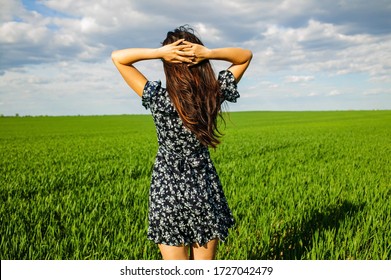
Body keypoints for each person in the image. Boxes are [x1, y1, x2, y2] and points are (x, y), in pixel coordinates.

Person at [112, 26, 252, 260]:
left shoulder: (159, 99)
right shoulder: (212, 95)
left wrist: (160, 53)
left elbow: (119, 58)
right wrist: (207, 53)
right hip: (203, 191)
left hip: (166, 193)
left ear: (169, 65)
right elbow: (245, 56)